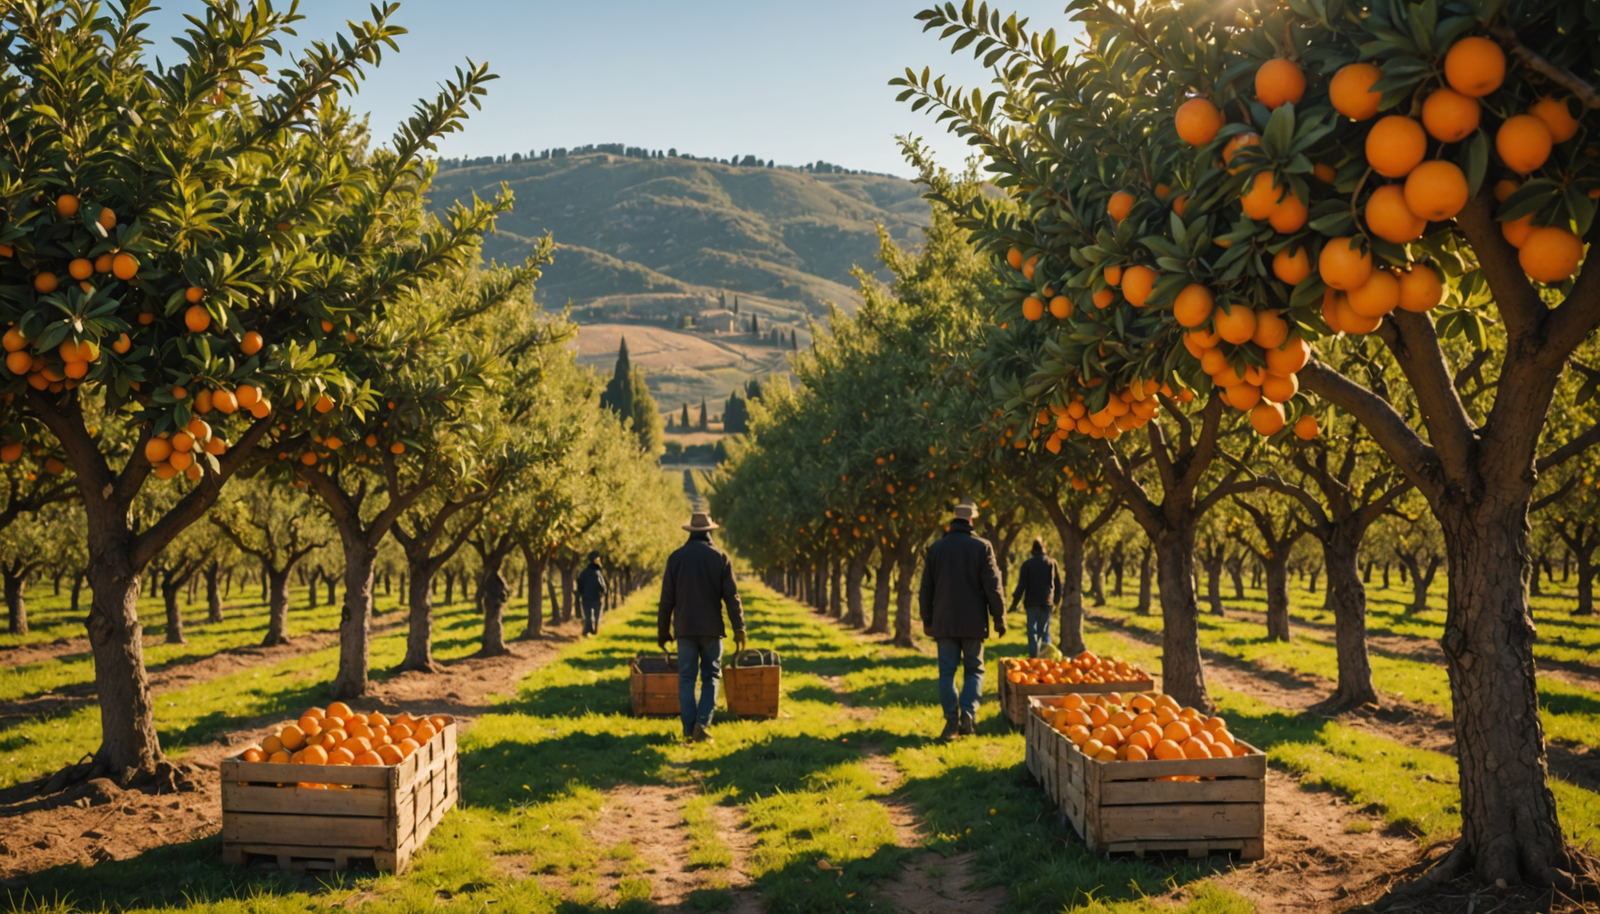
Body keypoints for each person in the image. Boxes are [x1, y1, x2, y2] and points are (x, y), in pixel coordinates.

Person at [918, 502, 1007, 741]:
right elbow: (993, 586)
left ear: (953, 520)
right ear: (972, 521)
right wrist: (999, 619)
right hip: (973, 621)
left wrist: (927, 619)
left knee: (946, 672)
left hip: (944, 620)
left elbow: (926, 588)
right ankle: (968, 714)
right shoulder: (982, 547)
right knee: (974, 670)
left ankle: (951, 722)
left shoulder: (936, 549)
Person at [658, 511, 746, 743]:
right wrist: (739, 628)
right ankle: (702, 724)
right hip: (711, 629)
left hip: (685, 629)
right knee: (711, 676)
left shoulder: (676, 558)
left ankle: (689, 729)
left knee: (686, 677)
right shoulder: (720, 557)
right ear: (709, 532)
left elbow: (667, 598)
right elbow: (731, 596)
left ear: (690, 532)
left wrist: (663, 631)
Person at [1011, 539, 1061, 657]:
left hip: (1032, 602)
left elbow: (1021, 586)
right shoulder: (1052, 562)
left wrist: (1014, 604)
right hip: (1047, 601)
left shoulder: (1027, 564)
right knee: (1044, 630)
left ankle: (1034, 657)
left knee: (1032, 631)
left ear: (1033, 551)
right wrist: (1056, 600)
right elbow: (1058, 584)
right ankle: (1047, 657)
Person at [576, 551, 607, 637]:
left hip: (586, 598)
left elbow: (579, 585)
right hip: (596, 598)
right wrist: (603, 592)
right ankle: (595, 629)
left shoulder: (583, 573)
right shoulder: (598, 572)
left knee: (587, 616)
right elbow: (602, 585)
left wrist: (581, 593)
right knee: (596, 615)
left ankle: (587, 631)